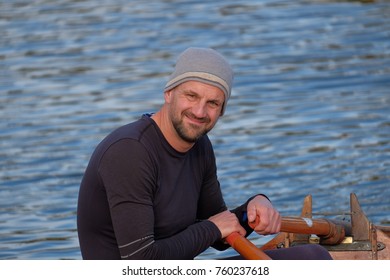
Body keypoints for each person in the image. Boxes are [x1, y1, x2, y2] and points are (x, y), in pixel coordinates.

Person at [77, 47, 332, 260]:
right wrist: (212, 228)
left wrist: (252, 210)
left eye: (213, 103)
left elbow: (219, 232)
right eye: (191, 96)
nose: (199, 112)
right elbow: (141, 260)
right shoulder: (130, 152)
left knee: (313, 257)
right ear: (168, 93)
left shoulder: (200, 145)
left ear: (221, 111)